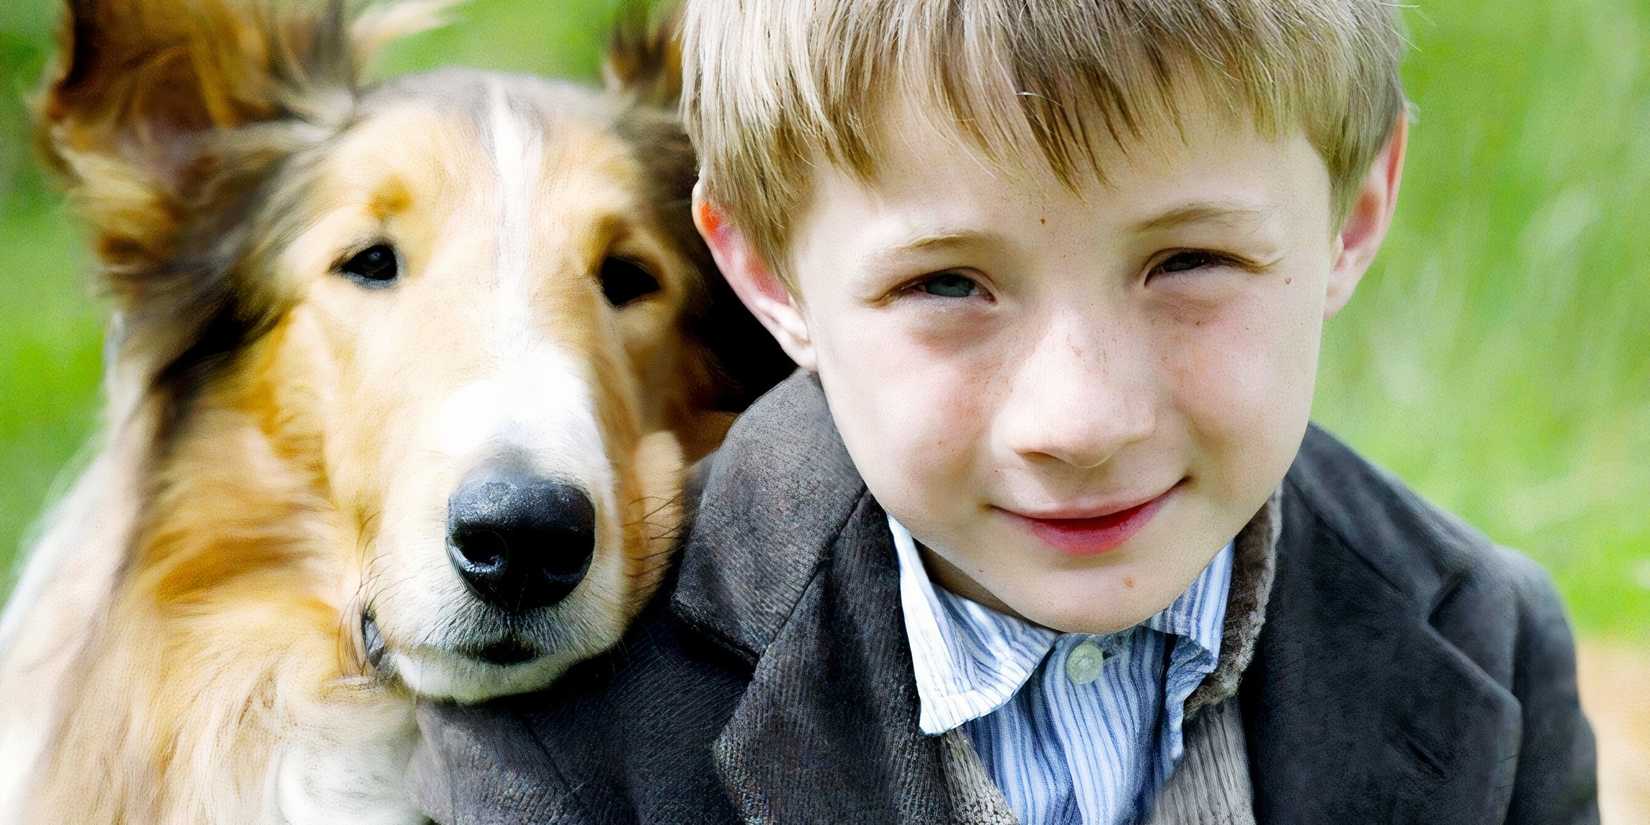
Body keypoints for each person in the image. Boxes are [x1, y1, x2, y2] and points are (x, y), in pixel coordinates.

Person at [410, 2, 1599, 822]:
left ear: (1351, 213)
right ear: (771, 274)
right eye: (947, 286)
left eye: (1188, 262)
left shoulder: (1487, 642)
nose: (1081, 420)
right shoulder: (576, 734)